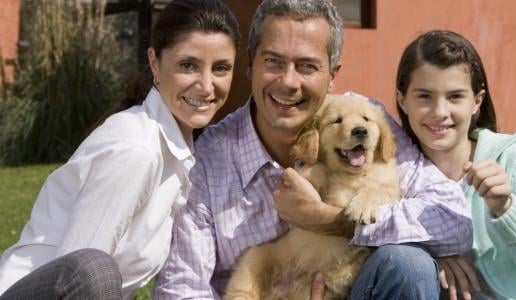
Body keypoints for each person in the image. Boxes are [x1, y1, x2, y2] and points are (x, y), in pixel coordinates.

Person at [153, 1, 473, 299]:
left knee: (409, 265)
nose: (288, 82)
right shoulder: (208, 160)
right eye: (274, 62)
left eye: (307, 66)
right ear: (251, 64)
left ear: (332, 75)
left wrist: (330, 220)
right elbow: (182, 288)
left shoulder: (363, 117)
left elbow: (454, 220)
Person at [0, 0, 240, 298]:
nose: (206, 86)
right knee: (94, 267)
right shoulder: (137, 150)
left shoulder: (178, 149)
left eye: (220, 68)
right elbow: (80, 275)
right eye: (187, 65)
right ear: (155, 62)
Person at [395, 30, 516, 300]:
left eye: (455, 96)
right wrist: (432, 258)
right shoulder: (394, 174)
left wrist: (506, 208)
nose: (439, 111)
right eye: (424, 96)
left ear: (477, 102)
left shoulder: (514, 158)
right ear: (403, 100)